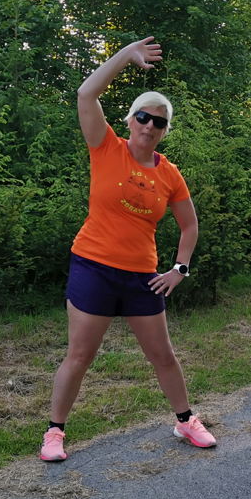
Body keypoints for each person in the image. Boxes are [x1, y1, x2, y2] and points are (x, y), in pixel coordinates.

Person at [40, 36, 216, 463]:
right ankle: (55, 432)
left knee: (164, 356)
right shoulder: (106, 146)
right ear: (131, 118)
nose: (149, 126)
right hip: (93, 267)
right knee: (80, 355)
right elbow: (86, 92)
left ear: (164, 131)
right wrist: (125, 56)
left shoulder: (170, 174)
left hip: (142, 276)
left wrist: (180, 269)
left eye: (158, 122)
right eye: (143, 117)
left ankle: (185, 420)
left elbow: (189, 225)